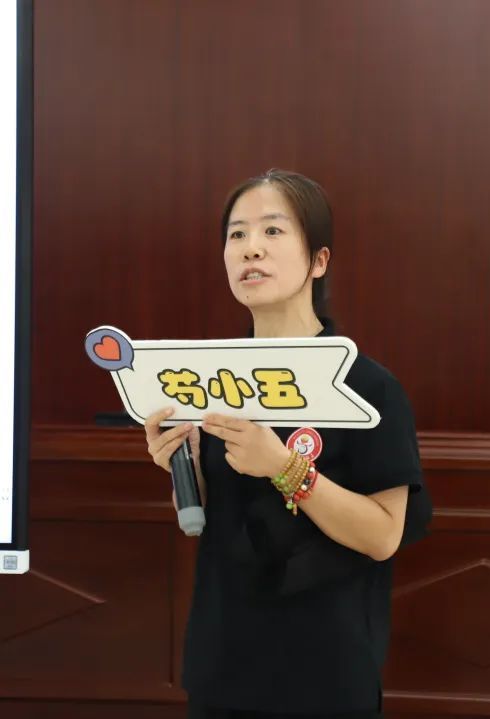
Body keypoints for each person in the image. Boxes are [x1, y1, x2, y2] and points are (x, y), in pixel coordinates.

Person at [145, 169, 433, 719]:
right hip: (223, 663)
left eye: (273, 231)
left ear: (319, 260)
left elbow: (382, 535)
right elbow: (209, 518)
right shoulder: (212, 379)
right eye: (236, 234)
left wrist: (284, 466)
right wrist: (184, 469)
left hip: (323, 672)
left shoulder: (366, 385)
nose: (250, 248)